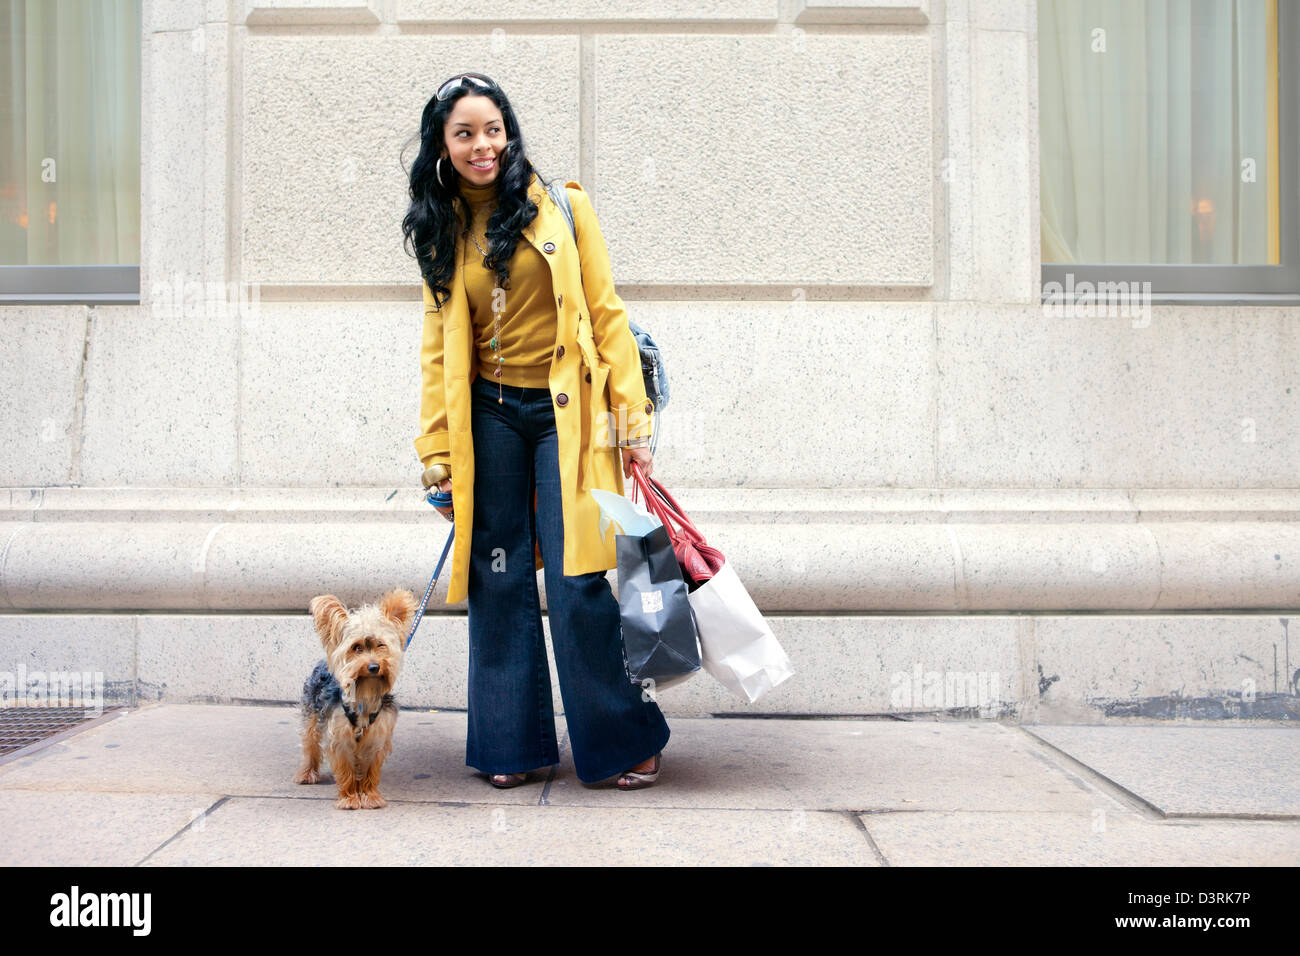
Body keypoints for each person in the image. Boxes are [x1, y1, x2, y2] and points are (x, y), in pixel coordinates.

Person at [401, 73, 669, 790]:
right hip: (486, 417)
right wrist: (435, 455)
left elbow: (607, 315)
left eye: (493, 129)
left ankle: (619, 741)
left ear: (509, 131)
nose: (482, 145)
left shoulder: (563, 209)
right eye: (465, 133)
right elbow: (437, 349)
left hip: (566, 415)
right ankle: (510, 746)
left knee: (579, 576)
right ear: (444, 146)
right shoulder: (441, 227)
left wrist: (632, 421)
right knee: (499, 577)